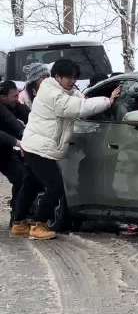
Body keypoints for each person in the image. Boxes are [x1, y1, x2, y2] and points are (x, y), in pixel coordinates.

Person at [11, 58, 121, 241]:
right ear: (57, 77)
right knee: (55, 187)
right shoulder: (52, 94)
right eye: (68, 78)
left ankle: (19, 223)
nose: (72, 81)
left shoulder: (60, 89)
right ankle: (39, 225)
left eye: (74, 78)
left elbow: (80, 98)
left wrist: (92, 98)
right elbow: (76, 107)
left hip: (34, 145)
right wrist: (107, 101)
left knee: (32, 184)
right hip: (39, 148)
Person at [0, 80, 28, 223]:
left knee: (22, 177)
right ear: (2, 97)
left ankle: (17, 218)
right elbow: (11, 122)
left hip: (4, 152)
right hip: (6, 145)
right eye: (14, 96)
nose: (17, 99)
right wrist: (18, 141)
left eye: (18, 95)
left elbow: (31, 118)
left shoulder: (16, 105)